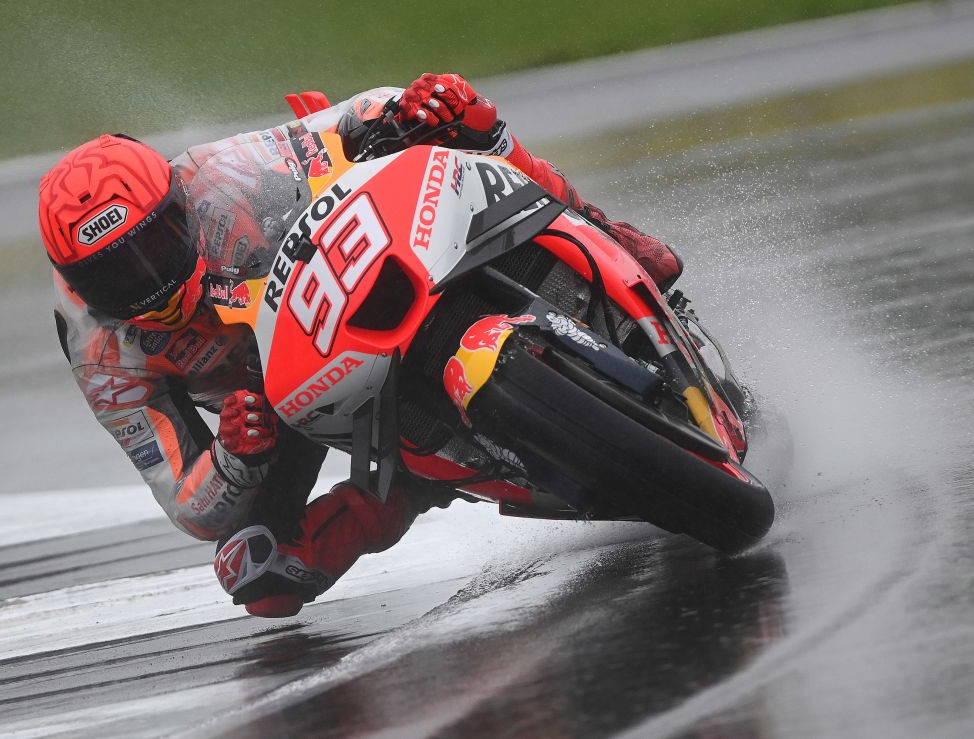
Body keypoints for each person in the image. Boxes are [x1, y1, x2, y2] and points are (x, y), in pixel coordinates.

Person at [38, 73, 683, 618]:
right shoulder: (99, 350)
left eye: (153, 249)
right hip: (275, 401)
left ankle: (604, 234)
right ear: (77, 284)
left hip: (351, 281)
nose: (146, 283)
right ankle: (415, 482)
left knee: (461, 118)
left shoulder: (220, 177)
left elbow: (347, 120)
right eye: (114, 277)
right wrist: (239, 454)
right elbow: (186, 500)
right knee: (256, 572)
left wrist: (410, 109)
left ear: (179, 205)